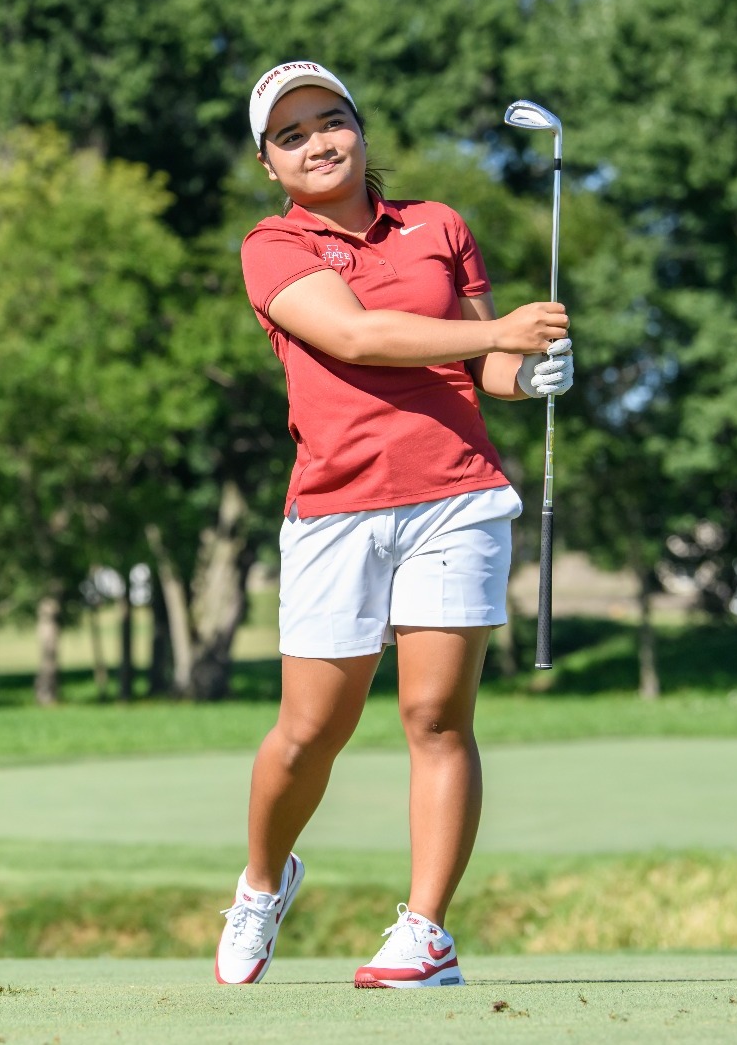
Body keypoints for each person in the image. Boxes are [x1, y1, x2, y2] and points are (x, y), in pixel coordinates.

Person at [213, 61, 573, 989]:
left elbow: (489, 372)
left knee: (436, 717)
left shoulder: (438, 225)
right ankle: (262, 881)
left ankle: (425, 932)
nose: (318, 142)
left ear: (362, 129)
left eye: (332, 121)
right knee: (307, 733)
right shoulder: (270, 245)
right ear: (270, 163)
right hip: (336, 507)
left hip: (456, 495)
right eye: (292, 135)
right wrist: (498, 338)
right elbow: (358, 339)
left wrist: (531, 372)